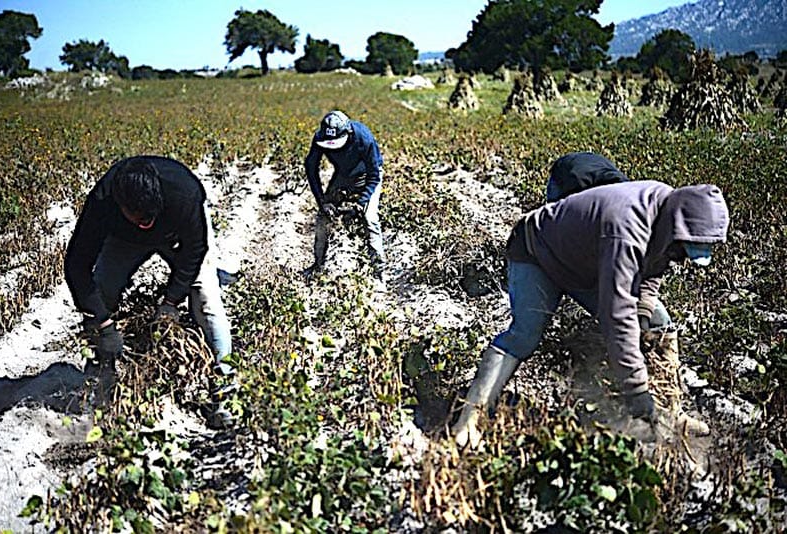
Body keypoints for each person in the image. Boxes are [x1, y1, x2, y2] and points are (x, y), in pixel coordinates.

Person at [452, 179, 729, 448]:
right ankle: (470, 418)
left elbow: (654, 267)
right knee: (525, 334)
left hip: (584, 263)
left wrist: (643, 316)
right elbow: (617, 316)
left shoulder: (667, 214)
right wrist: (636, 388)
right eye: (683, 248)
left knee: (660, 324)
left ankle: (672, 415)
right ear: (675, 227)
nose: (681, 257)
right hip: (538, 252)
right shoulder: (626, 228)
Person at [64, 156, 233, 419]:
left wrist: (171, 301)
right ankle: (98, 383)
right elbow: (77, 265)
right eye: (140, 217)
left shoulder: (184, 195)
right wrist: (103, 323)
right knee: (103, 289)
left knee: (206, 300)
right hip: (124, 239)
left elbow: (195, 249)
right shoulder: (102, 202)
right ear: (121, 205)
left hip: (177, 235)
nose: (147, 223)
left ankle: (224, 392)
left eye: (151, 216)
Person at [545, 151, 671, 330]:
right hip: (567, 177)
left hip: (594, 173)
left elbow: (652, 273)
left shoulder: (649, 222)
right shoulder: (596, 211)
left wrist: (644, 310)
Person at [303, 110, 386, 278]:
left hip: (366, 176)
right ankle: (318, 265)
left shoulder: (364, 138)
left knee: (369, 218)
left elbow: (374, 175)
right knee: (323, 218)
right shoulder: (319, 139)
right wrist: (322, 202)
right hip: (343, 174)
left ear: (347, 133)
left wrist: (361, 203)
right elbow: (311, 168)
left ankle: (379, 270)